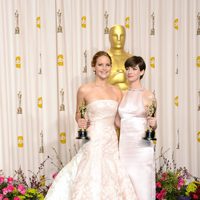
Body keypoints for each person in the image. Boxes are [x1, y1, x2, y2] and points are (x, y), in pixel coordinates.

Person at [45, 51, 137, 200]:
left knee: (112, 172)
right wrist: (80, 120)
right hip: (93, 136)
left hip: (111, 140)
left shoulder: (117, 91)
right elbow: (78, 114)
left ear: (111, 67)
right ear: (93, 66)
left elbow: (118, 121)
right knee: (91, 170)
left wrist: (138, 127)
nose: (104, 68)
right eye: (100, 64)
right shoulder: (84, 89)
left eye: (107, 65)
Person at [115, 56, 157, 200]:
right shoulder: (122, 94)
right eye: (127, 69)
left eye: (134, 68)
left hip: (141, 148)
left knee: (142, 184)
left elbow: (153, 123)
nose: (130, 72)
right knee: (126, 185)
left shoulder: (148, 95)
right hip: (125, 147)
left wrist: (152, 124)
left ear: (142, 71)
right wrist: (129, 129)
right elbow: (117, 121)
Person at [107, 25, 132, 91]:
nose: (119, 39)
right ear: (109, 38)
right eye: (115, 36)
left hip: (128, 98)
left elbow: (136, 83)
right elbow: (99, 85)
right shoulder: (104, 58)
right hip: (108, 98)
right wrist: (116, 79)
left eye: (122, 36)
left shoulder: (131, 58)